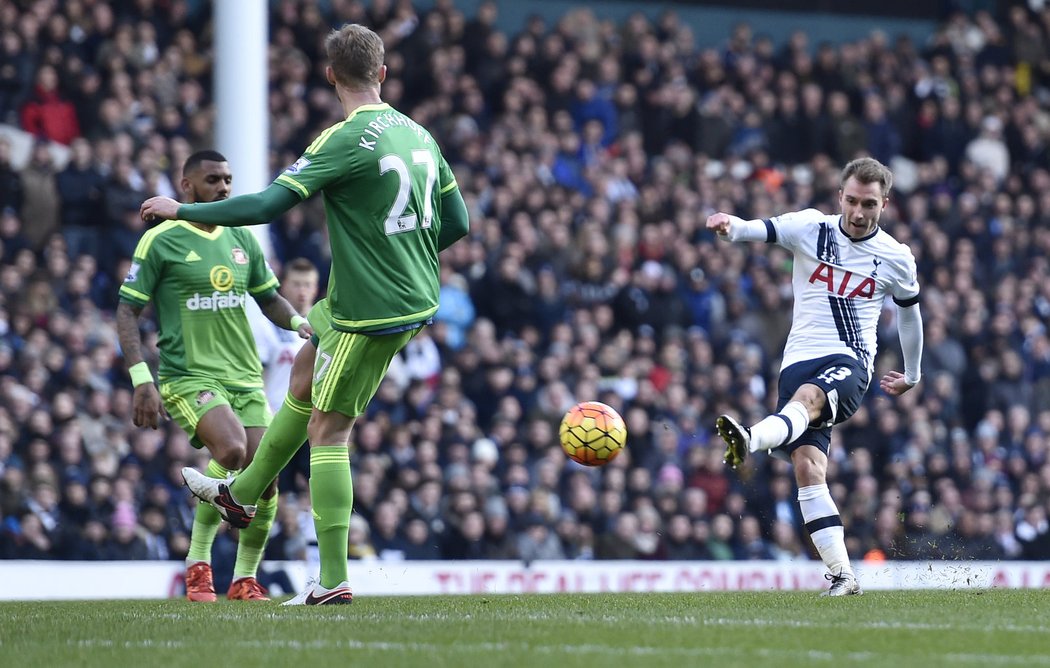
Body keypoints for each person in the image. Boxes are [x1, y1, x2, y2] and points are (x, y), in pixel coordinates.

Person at [141, 23, 470, 605]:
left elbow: (269, 203)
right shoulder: (419, 134)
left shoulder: (342, 139)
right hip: (391, 296)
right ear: (383, 73)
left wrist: (180, 208)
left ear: (329, 76)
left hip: (371, 310)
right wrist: (403, 254)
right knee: (302, 369)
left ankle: (333, 579)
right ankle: (242, 492)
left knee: (329, 429)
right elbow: (458, 223)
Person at [707, 157, 923, 597]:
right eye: (852, 201)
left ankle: (749, 439)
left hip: (850, 362)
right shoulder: (811, 228)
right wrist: (731, 225)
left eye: (869, 204)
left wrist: (914, 374)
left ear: (885, 202)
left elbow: (910, 317)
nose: (859, 213)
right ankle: (843, 575)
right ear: (838, 196)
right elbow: (759, 229)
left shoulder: (896, 257)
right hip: (796, 362)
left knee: (807, 401)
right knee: (808, 469)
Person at [117, 150, 313, 602]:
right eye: (212, 180)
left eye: (227, 179)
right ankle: (198, 566)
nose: (224, 187)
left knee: (265, 477)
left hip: (244, 376)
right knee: (231, 448)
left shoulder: (241, 237)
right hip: (188, 376)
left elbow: (270, 299)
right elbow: (127, 311)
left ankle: (245, 578)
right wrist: (141, 379)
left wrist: (299, 324)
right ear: (188, 187)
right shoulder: (161, 240)